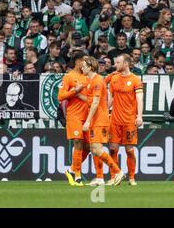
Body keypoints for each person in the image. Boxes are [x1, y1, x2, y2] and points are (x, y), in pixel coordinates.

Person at [81, 56, 126, 186]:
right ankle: (100, 178)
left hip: (99, 119)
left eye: (84, 66)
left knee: (96, 149)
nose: (82, 68)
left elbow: (95, 103)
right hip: (96, 119)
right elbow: (91, 100)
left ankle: (118, 172)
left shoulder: (96, 81)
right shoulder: (91, 80)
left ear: (90, 67)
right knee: (95, 149)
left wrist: (88, 121)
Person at [106, 54, 144, 186]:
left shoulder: (135, 80)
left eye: (118, 62)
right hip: (114, 120)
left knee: (129, 150)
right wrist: (104, 112)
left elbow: (139, 99)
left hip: (129, 121)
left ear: (126, 64)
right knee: (113, 149)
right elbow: (110, 99)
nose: (115, 65)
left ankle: (132, 177)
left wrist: (139, 116)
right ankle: (114, 177)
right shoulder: (114, 79)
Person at [58, 52, 90, 186]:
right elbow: (61, 96)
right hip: (74, 115)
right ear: (78, 61)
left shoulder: (89, 77)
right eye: (85, 60)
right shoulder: (69, 77)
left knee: (88, 147)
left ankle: (71, 169)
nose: (86, 63)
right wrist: (74, 91)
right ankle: (77, 175)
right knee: (78, 141)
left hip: (88, 116)